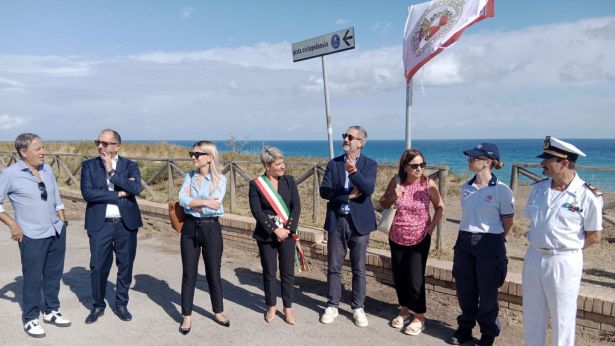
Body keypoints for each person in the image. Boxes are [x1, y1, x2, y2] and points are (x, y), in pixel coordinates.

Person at [522, 136, 603, 346]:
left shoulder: (588, 195)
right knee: (532, 314)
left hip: (563, 262)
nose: (542, 164)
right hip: (533, 257)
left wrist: (566, 249)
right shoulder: (538, 189)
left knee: (563, 318)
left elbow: (594, 235)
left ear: (564, 163)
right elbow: (533, 222)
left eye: (547, 160)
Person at [0, 133, 70, 338]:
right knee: (32, 277)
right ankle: (30, 318)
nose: (43, 152)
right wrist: (13, 225)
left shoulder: (47, 169)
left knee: (53, 274)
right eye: (38, 149)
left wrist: (63, 220)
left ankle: (51, 311)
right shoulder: (10, 174)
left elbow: (56, 197)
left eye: (43, 147)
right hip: (31, 234)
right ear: (24, 152)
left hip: (56, 230)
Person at [449, 143, 514, 346]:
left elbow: (508, 222)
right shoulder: (465, 187)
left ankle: (488, 334)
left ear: (488, 162)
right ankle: (465, 329)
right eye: (469, 157)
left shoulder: (502, 191)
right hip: (464, 241)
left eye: (474, 158)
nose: (470, 160)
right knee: (465, 289)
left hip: (489, 242)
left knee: (488, 293)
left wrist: (495, 238)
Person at [379, 149, 444, 336]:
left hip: (419, 239)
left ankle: (420, 316)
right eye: (415, 165)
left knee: (416, 279)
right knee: (399, 276)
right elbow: (383, 203)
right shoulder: (397, 181)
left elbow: (440, 207)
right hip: (396, 236)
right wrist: (394, 195)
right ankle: (405, 310)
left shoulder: (428, 184)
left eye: (422, 165)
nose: (419, 169)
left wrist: (430, 229)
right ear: (405, 167)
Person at [81, 129, 143, 324]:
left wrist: (112, 172)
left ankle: (121, 304)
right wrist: (119, 194)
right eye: (98, 142)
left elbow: (135, 188)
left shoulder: (130, 165)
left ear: (116, 145)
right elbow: (88, 194)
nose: (100, 146)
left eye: (105, 143)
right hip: (100, 225)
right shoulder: (89, 166)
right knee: (98, 267)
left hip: (126, 224)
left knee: (125, 265)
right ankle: (98, 305)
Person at [319, 125, 377, 327]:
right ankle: (332, 305)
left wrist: (353, 173)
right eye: (345, 136)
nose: (345, 139)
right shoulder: (333, 164)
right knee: (334, 266)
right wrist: (348, 195)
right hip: (337, 221)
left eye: (350, 137)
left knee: (358, 267)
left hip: (359, 224)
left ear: (360, 142)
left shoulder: (369, 164)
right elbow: (324, 191)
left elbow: (368, 189)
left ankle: (358, 307)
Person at [178, 140, 229, 335]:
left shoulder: (220, 180)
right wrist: (202, 202)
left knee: (213, 273)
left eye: (197, 154)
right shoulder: (189, 176)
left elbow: (214, 206)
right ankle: (186, 317)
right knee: (188, 274)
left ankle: (218, 311)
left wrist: (194, 203)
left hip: (211, 229)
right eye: (192, 153)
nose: (193, 157)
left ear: (210, 157)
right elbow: (182, 200)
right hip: (190, 227)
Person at [249, 147, 301, 325]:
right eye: (278, 164)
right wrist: (274, 230)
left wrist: (288, 229)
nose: (282, 167)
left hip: (288, 233)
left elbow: (296, 207)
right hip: (266, 235)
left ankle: (288, 308)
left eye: (283, 162)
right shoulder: (256, 184)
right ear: (267, 165)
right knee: (270, 272)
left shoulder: (289, 181)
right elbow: (257, 211)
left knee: (287, 272)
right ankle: (271, 306)